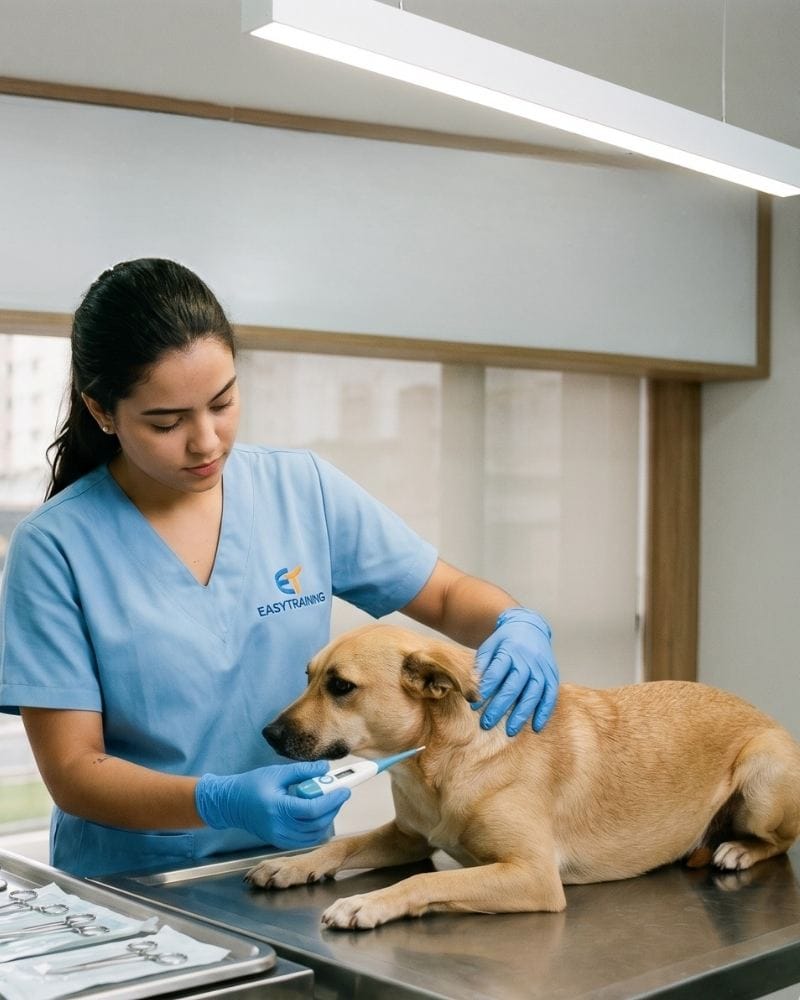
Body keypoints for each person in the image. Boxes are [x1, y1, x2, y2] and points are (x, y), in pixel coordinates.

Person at [0, 258, 559, 878]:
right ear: (103, 413)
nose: (207, 441)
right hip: (135, 885)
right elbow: (75, 773)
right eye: (167, 422)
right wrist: (218, 801)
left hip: (292, 868)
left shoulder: (302, 490)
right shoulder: (55, 548)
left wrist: (515, 621)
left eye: (223, 402)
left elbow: (449, 596)